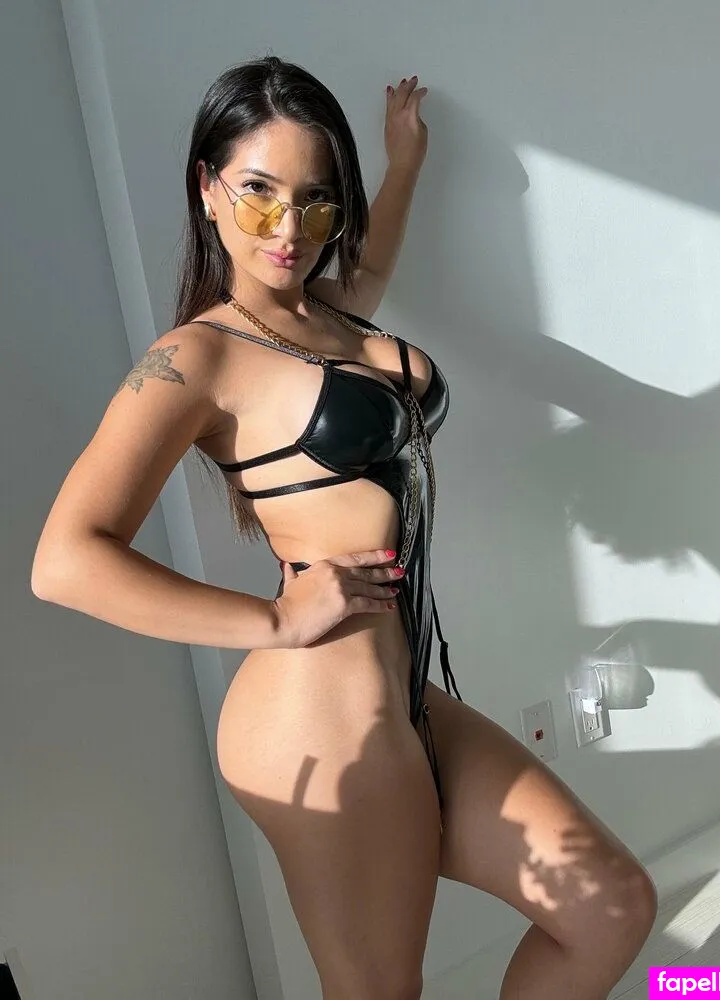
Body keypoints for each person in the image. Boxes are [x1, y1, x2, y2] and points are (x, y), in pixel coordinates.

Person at [31, 54, 657, 1000]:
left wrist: (404, 163)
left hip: (402, 696)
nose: (289, 231)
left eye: (316, 201)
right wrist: (273, 620)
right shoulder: (195, 359)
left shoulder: (325, 312)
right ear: (206, 189)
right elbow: (64, 561)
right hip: (317, 720)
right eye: (258, 194)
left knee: (610, 907)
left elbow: (373, 262)